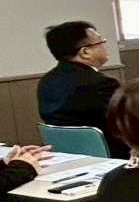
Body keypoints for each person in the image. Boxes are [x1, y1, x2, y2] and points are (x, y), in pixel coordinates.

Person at [37, 21, 127, 157]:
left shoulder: (47, 81)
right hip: (110, 157)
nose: (106, 45)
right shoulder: (102, 84)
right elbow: (127, 125)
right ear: (85, 52)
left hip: (66, 157)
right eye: (101, 41)